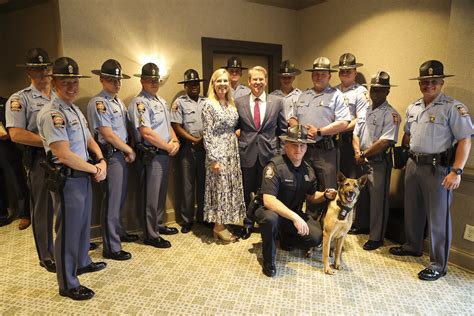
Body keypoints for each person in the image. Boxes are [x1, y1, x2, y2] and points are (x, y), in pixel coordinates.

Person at [389, 60, 473, 281]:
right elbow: (408, 134)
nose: (429, 85)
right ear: (420, 83)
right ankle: (412, 245)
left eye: (433, 81)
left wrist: (457, 171)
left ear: (441, 82)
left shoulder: (453, 108)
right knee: (413, 210)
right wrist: (404, 154)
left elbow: (465, 140)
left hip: (439, 169)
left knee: (438, 217)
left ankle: (438, 264)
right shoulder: (413, 107)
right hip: (413, 165)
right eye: (425, 81)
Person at [37, 57, 108, 300]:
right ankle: (67, 283)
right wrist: (95, 169)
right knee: (67, 231)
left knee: (82, 225)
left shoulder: (73, 109)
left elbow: (88, 138)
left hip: (84, 175)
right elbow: (63, 154)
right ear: (54, 83)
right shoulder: (52, 113)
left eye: (75, 81)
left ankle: (82, 262)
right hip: (68, 179)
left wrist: (101, 159)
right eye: (65, 82)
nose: (72, 86)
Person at [253, 124, 337, 277]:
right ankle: (269, 260)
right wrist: (296, 218)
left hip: (291, 214)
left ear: (306, 148)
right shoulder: (275, 166)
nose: (298, 149)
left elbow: (311, 196)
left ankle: (284, 235)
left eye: (302, 145)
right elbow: (269, 200)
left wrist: (325, 195)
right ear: (286, 145)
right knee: (271, 219)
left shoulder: (308, 170)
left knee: (315, 237)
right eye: (294, 145)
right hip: (269, 211)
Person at [6, 48, 55, 272]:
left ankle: (65, 245)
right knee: (42, 208)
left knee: (63, 205)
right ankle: (46, 255)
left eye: (45, 67)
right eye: (36, 68)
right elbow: (16, 134)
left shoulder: (59, 94)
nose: (42, 72)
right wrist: (50, 142)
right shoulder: (20, 99)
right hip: (39, 160)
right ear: (28, 72)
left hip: (63, 158)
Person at [87, 59, 137, 261]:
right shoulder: (98, 103)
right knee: (112, 200)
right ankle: (111, 247)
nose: (116, 83)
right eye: (111, 79)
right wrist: (129, 150)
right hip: (111, 154)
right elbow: (107, 134)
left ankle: (118, 233)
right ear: (101, 80)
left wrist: (127, 148)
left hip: (120, 154)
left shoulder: (117, 102)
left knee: (119, 198)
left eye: (118, 80)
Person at [128, 62, 180, 248]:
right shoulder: (139, 103)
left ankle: (158, 224)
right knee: (150, 195)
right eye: (149, 80)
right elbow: (146, 132)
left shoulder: (161, 101)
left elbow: (168, 126)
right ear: (142, 81)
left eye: (156, 79)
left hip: (164, 152)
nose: (154, 82)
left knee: (159, 194)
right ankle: (150, 234)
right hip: (152, 154)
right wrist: (167, 146)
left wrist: (175, 141)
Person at [289, 57, 351, 213]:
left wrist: (319, 131)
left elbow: (344, 122)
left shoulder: (336, 95)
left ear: (330, 76)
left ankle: (326, 226)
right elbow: (292, 118)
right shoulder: (303, 95)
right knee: (307, 186)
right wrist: (300, 130)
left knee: (328, 190)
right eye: (316, 74)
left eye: (323, 74)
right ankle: (309, 224)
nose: (318, 77)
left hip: (326, 151)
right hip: (304, 150)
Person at [235, 66, 286, 239]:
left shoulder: (277, 101)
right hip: (247, 154)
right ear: (249, 82)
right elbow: (235, 128)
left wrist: (281, 155)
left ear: (266, 81)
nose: (257, 82)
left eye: (261, 79)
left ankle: (268, 224)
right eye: (254, 79)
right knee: (248, 190)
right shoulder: (239, 102)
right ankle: (248, 223)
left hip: (270, 155)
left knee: (268, 192)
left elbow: (283, 131)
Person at [352, 71, 401, 250]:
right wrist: (358, 152)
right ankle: (362, 226)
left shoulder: (391, 115)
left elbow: (385, 141)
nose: (375, 93)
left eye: (380, 90)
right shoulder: (365, 110)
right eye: (373, 89)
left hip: (378, 162)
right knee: (362, 197)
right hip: (362, 160)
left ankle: (376, 236)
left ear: (387, 91)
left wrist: (363, 155)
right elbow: (355, 133)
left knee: (378, 200)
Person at [201, 68, 246, 242]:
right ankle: (218, 226)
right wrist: (213, 158)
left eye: (225, 81)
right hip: (218, 152)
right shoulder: (208, 104)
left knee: (228, 187)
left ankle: (222, 222)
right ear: (213, 83)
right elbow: (207, 133)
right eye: (218, 81)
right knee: (219, 188)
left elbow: (233, 126)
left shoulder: (231, 103)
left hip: (231, 150)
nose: (222, 84)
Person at [333, 53, 371, 235]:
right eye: (342, 70)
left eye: (349, 70)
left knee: (353, 182)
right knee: (338, 179)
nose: (345, 73)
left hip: (349, 141)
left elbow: (362, 118)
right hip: (333, 141)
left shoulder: (361, 92)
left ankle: (354, 222)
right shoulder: (333, 91)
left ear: (355, 72)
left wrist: (341, 127)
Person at [170, 69, 207, 233]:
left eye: (196, 83)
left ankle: (203, 217)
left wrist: (204, 141)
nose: (194, 86)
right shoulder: (179, 102)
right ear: (185, 85)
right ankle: (187, 220)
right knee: (187, 186)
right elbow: (176, 126)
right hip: (188, 149)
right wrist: (194, 140)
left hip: (205, 149)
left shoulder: (207, 101)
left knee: (204, 185)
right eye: (190, 83)